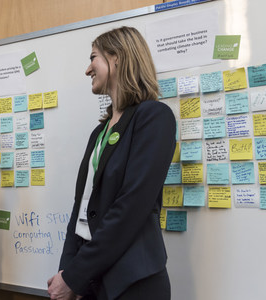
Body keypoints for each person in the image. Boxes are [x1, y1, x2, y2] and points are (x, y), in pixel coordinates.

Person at [47, 26, 176, 300]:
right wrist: (68, 273)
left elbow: (130, 208)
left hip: (131, 282)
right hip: (90, 277)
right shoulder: (100, 132)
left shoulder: (154, 117)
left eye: (93, 57)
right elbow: (80, 209)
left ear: (116, 58)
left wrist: (75, 276)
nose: (87, 69)